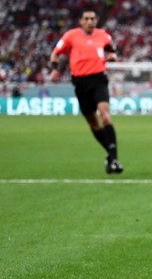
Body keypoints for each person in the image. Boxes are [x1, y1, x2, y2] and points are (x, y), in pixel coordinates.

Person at [50, 9, 124, 174]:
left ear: (96, 20)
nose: (90, 21)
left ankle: (115, 160)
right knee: (93, 123)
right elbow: (55, 54)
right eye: (87, 18)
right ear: (81, 21)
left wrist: (112, 56)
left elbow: (112, 51)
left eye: (93, 18)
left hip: (99, 79)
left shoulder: (103, 35)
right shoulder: (71, 36)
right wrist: (55, 70)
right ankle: (111, 156)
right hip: (80, 83)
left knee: (105, 115)